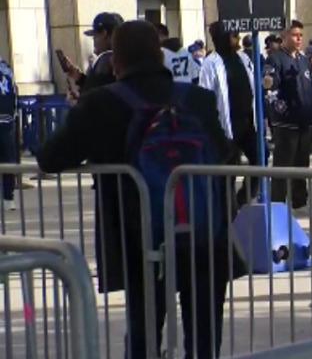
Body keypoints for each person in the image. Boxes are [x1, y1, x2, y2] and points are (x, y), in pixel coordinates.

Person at [36, 20, 240, 359]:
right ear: (161, 59)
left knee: (143, 333)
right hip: (203, 235)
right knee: (204, 337)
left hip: (136, 238)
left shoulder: (101, 103)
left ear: (115, 63)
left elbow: (49, 157)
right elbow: (226, 153)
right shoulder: (198, 100)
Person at [200, 22, 262, 208]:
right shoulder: (211, 64)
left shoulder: (243, 58)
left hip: (248, 123)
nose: (239, 39)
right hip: (227, 126)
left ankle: (244, 197)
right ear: (223, 38)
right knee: (229, 168)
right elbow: (206, 96)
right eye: (234, 35)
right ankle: (229, 207)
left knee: (260, 158)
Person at [267, 20, 312, 212]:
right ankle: (277, 203)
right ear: (284, 37)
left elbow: (311, 84)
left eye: (300, 35)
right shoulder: (276, 59)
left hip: (305, 121)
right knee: (283, 164)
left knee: (301, 164)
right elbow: (271, 89)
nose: (299, 39)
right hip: (287, 123)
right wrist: (281, 109)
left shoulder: (303, 60)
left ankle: (299, 201)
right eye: (295, 35)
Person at [62, 12, 124, 95]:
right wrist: (79, 77)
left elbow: (95, 96)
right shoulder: (126, 58)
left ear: (104, 34)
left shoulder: (106, 60)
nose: (94, 42)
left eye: (94, 37)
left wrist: (78, 103)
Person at [0, 54, 17, 211]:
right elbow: (14, 93)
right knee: (7, 159)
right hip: (7, 119)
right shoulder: (6, 68)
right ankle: (8, 198)